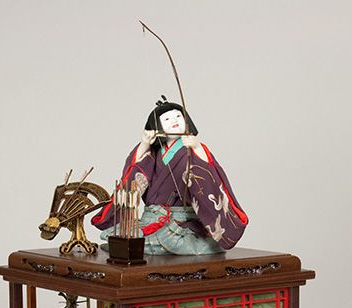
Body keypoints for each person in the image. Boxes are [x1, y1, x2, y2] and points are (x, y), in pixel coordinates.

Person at [92, 98, 248, 255]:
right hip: (152, 218)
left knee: (157, 243)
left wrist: (196, 147)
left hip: (182, 221)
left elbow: (208, 176)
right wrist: (145, 144)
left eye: (178, 116)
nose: (174, 121)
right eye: (167, 119)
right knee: (119, 237)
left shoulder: (193, 148)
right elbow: (134, 170)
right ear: (157, 126)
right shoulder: (154, 152)